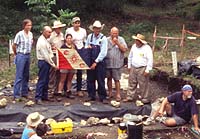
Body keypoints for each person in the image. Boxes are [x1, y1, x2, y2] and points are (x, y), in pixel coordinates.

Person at [123, 34, 153, 103]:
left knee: (143, 83)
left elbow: (150, 59)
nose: (136, 42)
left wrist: (148, 69)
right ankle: (129, 96)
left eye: (138, 41)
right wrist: (129, 65)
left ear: (141, 42)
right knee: (131, 82)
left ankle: (145, 98)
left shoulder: (147, 48)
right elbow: (130, 56)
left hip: (142, 68)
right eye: (136, 40)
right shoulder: (134, 46)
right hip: (134, 67)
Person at [85, 20, 108, 103]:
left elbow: (103, 52)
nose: (97, 30)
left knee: (100, 79)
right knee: (90, 79)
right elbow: (86, 47)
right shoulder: (89, 37)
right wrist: (88, 47)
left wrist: (96, 62)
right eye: (95, 28)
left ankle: (103, 96)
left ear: (100, 29)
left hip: (100, 62)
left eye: (98, 29)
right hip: (90, 61)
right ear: (93, 29)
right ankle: (91, 95)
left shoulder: (103, 38)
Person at [65, 17, 87, 97]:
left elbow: (85, 41)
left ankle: (79, 89)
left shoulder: (83, 31)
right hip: (72, 50)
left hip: (80, 50)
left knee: (79, 71)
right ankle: (66, 89)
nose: (77, 24)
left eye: (78, 22)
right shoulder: (69, 30)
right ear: (72, 23)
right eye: (75, 23)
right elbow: (67, 39)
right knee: (68, 69)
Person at [12, 19, 33, 101]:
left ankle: (24, 92)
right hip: (21, 54)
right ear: (24, 26)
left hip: (28, 55)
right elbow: (14, 45)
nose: (29, 27)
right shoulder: (19, 34)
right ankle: (16, 94)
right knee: (19, 75)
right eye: (28, 25)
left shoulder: (30, 34)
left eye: (30, 25)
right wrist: (16, 54)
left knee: (26, 75)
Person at [35, 26, 57, 104]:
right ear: (44, 32)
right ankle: (38, 97)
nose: (50, 34)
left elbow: (50, 51)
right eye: (48, 32)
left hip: (47, 62)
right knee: (42, 80)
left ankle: (44, 95)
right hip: (43, 62)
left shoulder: (46, 40)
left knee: (46, 79)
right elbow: (46, 56)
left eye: (51, 32)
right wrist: (53, 65)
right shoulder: (41, 42)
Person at [105, 27, 127, 101]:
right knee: (109, 78)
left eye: (116, 33)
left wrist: (117, 43)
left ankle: (118, 94)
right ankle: (110, 93)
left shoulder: (121, 39)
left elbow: (124, 50)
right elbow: (104, 49)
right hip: (108, 62)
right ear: (110, 33)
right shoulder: (106, 40)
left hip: (117, 63)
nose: (115, 34)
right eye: (113, 33)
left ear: (118, 33)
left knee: (117, 79)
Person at [49, 20, 66, 95]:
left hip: (61, 55)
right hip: (54, 55)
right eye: (58, 28)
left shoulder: (62, 35)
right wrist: (51, 48)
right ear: (55, 29)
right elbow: (48, 45)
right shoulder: (51, 36)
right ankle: (50, 89)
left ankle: (57, 90)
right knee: (52, 72)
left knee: (59, 72)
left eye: (60, 27)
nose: (59, 29)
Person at [57, 34, 76, 98]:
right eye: (68, 38)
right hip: (64, 65)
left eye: (70, 38)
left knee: (70, 79)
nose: (69, 40)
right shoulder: (63, 46)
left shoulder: (74, 46)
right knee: (62, 80)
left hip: (72, 65)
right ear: (66, 39)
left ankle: (68, 91)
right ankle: (59, 92)